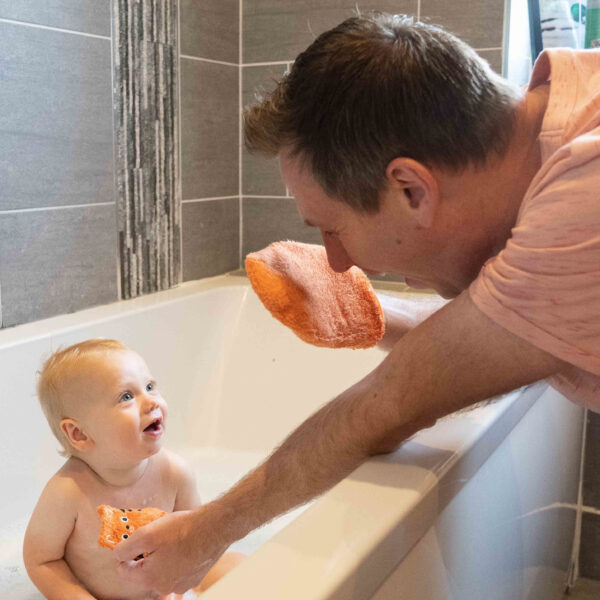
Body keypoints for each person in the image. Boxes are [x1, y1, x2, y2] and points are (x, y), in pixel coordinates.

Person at [113, 13, 600, 594]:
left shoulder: (584, 194)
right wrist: (370, 318)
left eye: (332, 228)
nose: (338, 262)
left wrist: (200, 536)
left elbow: (391, 403)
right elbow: (499, 323)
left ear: (410, 190)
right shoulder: (574, 104)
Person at [23, 339, 244, 599]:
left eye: (150, 386)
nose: (151, 401)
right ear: (79, 433)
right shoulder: (68, 492)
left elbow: (198, 542)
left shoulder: (175, 473)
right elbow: (41, 561)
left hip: (170, 589)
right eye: (126, 396)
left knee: (237, 564)